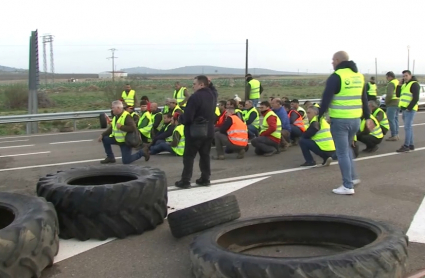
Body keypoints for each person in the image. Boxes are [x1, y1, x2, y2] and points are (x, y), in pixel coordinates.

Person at [318, 51, 373, 195]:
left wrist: (319, 115)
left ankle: (347, 186)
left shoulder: (336, 76)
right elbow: (364, 99)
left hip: (340, 121)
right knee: (347, 149)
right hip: (355, 120)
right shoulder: (359, 76)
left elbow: (326, 99)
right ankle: (353, 178)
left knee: (342, 153)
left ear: (337, 60)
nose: (332, 63)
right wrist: (367, 117)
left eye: (332, 60)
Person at [175, 75, 217, 189]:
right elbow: (214, 90)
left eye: (194, 84)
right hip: (209, 131)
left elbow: (188, 117)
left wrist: (180, 118)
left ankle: (185, 180)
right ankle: (205, 178)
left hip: (195, 131)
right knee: (205, 155)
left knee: (189, 156)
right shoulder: (212, 95)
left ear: (201, 84)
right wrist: (210, 83)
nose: (193, 86)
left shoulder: (195, 97)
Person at [396, 70, 420, 152]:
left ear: (410, 75)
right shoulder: (404, 85)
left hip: (409, 110)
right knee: (409, 128)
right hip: (404, 109)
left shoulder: (414, 84)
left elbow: (416, 98)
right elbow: (398, 95)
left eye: (406, 76)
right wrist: (399, 85)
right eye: (403, 76)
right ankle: (411, 145)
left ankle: (406, 146)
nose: (404, 77)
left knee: (407, 127)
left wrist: (409, 108)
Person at [384, 71, 400, 141]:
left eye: (387, 77)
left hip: (392, 103)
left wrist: (386, 102)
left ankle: (394, 135)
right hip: (398, 102)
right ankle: (396, 134)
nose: (386, 78)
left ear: (390, 77)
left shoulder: (391, 83)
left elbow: (389, 95)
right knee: (396, 119)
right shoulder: (397, 82)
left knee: (391, 119)